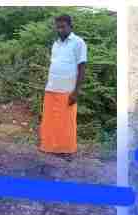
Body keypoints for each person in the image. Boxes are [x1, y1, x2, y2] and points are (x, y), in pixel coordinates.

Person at [39, 14, 88, 155]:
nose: (60, 30)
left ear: (70, 27)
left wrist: (76, 92)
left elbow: (82, 67)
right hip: (51, 88)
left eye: (63, 27)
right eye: (58, 27)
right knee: (50, 121)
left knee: (66, 123)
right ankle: (48, 148)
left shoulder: (78, 43)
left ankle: (66, 151)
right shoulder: (56, 44)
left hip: (67, 91)